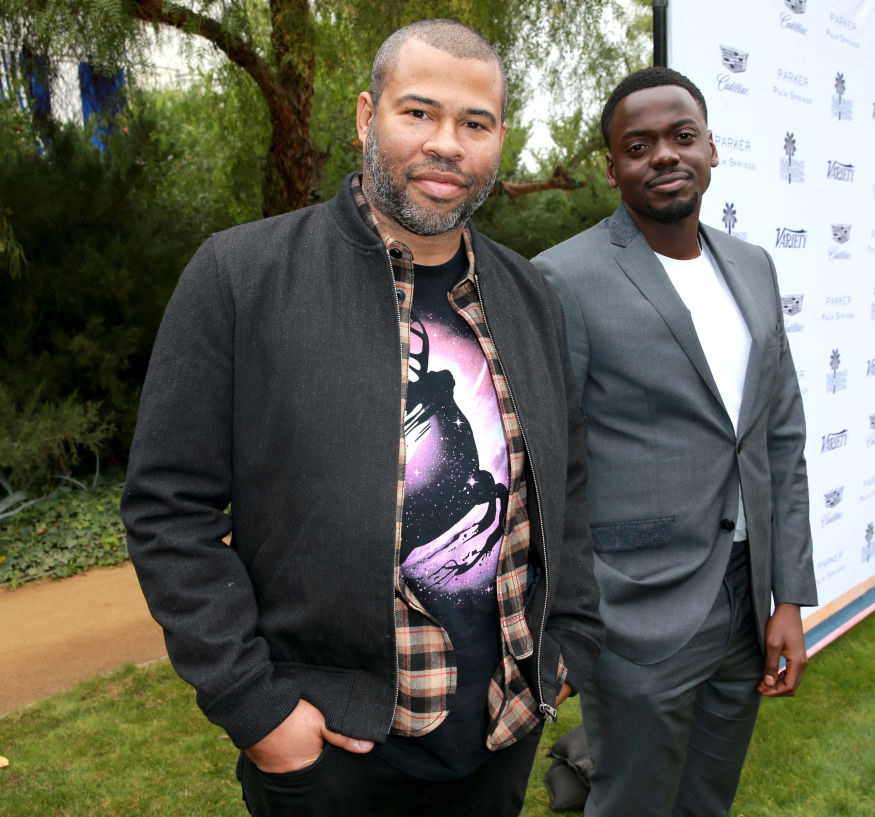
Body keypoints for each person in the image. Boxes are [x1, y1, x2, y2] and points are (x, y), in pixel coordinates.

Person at [121, 19, 602, 817]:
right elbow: (168, 511)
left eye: (474, 123)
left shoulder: (531, 297)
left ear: (499, 139)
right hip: (331, 753)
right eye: (419, 113)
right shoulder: (241, 278)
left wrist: (570, 643)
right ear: (364, 116)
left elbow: (569, 484)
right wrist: (257, 709)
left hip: (500, 732)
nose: (446, 144)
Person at [532, 67, 817, 817]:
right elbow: (548, 464)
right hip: (635, 611)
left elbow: (778, 436)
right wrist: (572, 610)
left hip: (746, 599)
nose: (664, 155)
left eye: (681, 137)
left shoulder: (753, 268)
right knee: (631, 801)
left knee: (707, 801)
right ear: (612, 167)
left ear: (712, 149)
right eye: (640, 144)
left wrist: (788, 594)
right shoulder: (564, 278)